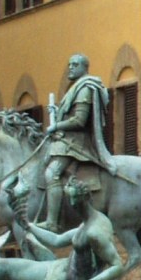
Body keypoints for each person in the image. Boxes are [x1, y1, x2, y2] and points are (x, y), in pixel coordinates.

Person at [40, 54, 117, 233]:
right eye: (69, 64)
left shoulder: (85, 88)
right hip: (67, 139)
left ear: (84, 67)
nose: (70, 68)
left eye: (75, 65)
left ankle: (52, 222)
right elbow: (71, 114)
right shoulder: (75, 88)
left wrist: (56, 126)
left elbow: (79, 120)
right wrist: (57, 112)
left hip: (76, 142)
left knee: (52, 173)